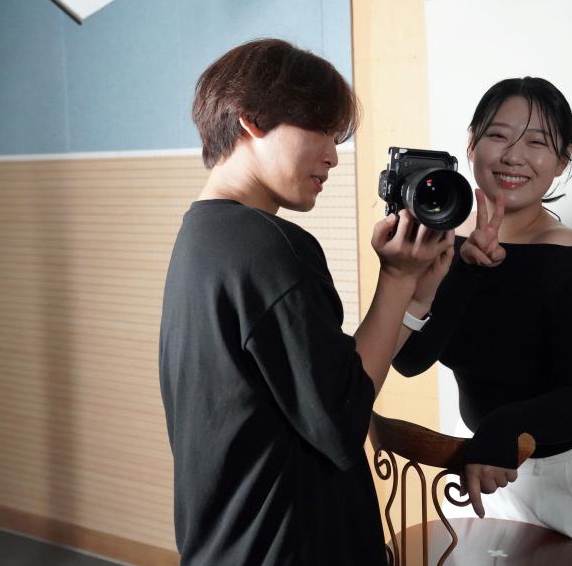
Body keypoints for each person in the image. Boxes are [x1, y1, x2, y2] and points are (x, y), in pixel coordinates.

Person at [159, 38, 454, 566]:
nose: (333, 156)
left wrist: (412, 297)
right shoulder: (270, 247)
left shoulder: (202, 236)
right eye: (319, 130)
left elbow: (329, 382)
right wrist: (395, 278)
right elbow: (343, 419)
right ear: (252, 120)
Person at [393, 77, 572, 565]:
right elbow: (412, 359)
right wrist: (464, 268)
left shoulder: (566, 255)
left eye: (537, 143)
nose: (513, 156)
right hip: (495, 466)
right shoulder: (442, 238)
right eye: (498, 136)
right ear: (471, 143)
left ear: (563, 160)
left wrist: (504, 426)